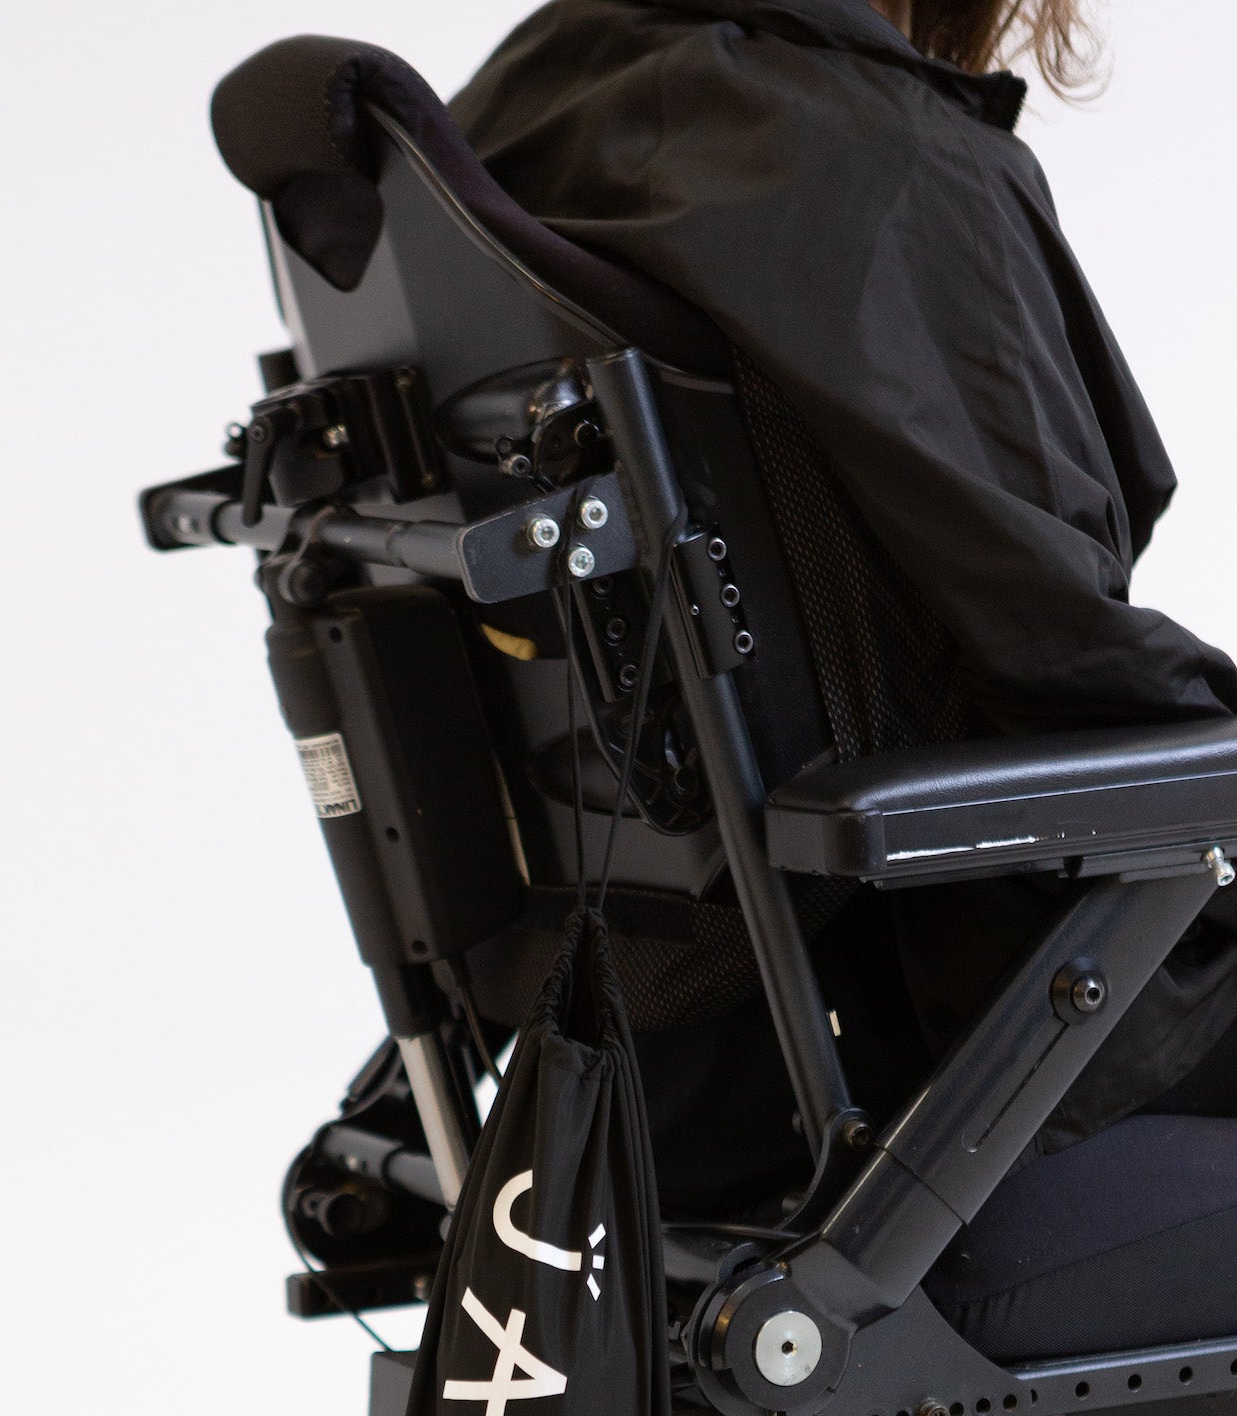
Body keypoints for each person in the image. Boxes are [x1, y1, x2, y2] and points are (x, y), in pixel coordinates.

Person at [450, 0, 1237, 1196]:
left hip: (683, 1024)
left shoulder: (527, 96)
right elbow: (1065, 650)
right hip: (957, 1040)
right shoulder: (889, 163)